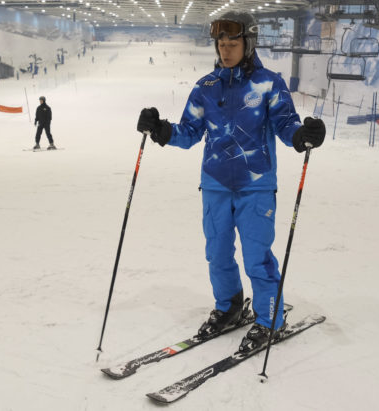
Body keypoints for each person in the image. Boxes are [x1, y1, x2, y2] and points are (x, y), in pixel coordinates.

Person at [136, 11, 325, 353]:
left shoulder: (269, 83)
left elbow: (286, 125)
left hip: (256, 187)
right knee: (218, 254)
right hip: (214, 185)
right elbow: (189, 132)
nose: (225, 49)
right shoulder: (206, 87)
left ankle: (270, 319)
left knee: (257, 258)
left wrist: (303, 136)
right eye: (221, 43)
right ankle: (230, 305)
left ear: (248, 43)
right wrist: (161, 130)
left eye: (232, 43)